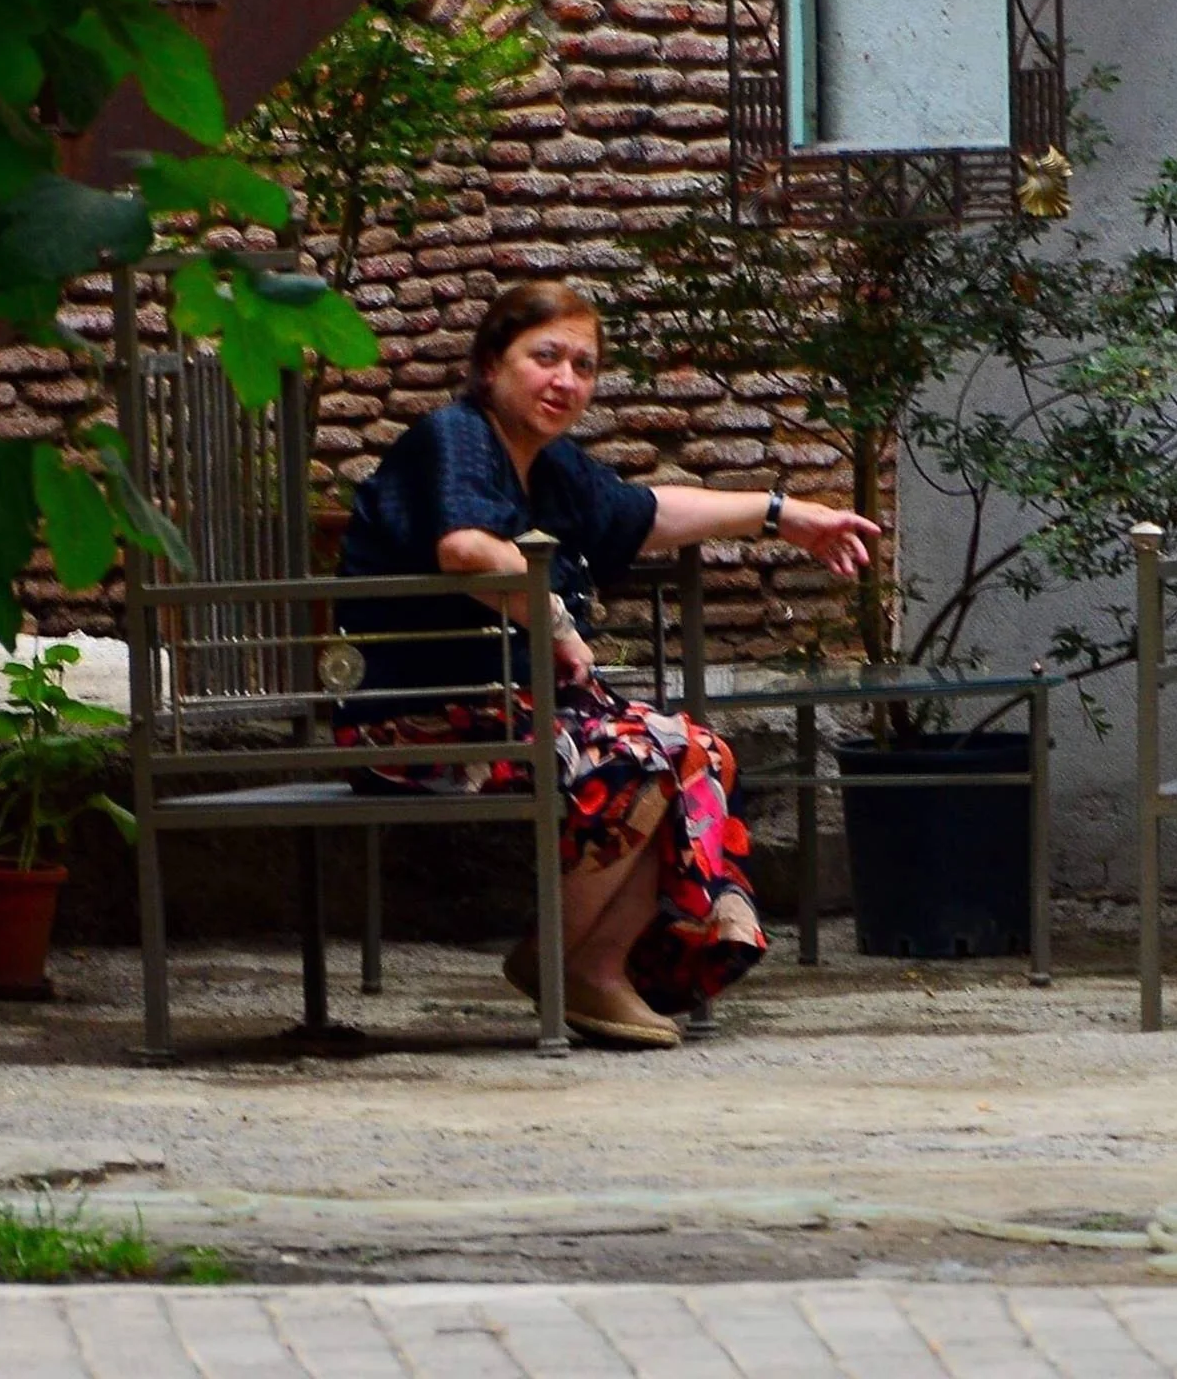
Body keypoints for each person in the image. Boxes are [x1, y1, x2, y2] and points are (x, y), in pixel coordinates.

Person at [332, 278, 878, 1049]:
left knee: (702, 753)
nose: (566, 380)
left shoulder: (550, 465)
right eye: (545, 357)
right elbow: (466, 548)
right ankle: (561, 961)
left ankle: (593, 965)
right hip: (414, 722)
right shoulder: (455, 438)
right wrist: (555, 619)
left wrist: (784, 515)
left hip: (514, 716)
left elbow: (648, 511)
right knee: (646, 753)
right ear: (490, 366)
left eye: (583, 366)